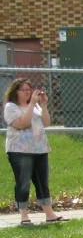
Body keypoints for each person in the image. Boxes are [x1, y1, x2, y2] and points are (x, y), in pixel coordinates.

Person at [3, 78, 63, 225]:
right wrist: (31, 105)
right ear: (15, 91)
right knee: (23, 182)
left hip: (40, 149)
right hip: (20, 151)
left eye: (29, 90)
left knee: (42, 182)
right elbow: (23, 123)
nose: (28, 93)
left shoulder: (34, 106)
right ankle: (24, 215)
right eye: (24, 90)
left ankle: (49, 214)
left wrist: (43, 105)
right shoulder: (11, 107)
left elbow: (47, 123)